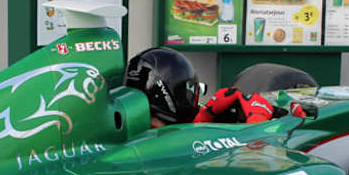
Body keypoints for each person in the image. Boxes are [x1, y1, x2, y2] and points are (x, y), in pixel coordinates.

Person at [124, 47, 305, 128]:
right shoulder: (163, 144)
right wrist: (257, 126)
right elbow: (254, 163)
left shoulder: (132, 130)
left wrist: (204, 118)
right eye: (188, 90)